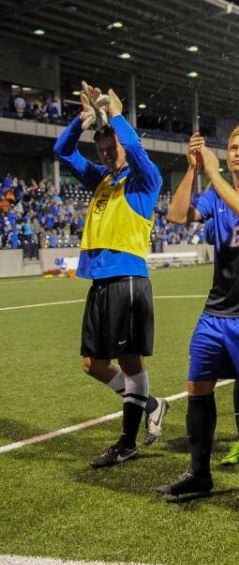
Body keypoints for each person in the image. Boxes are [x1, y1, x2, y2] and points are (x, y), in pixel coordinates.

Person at [157, 125, 239, 494]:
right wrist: (194, 170)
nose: (237, 153)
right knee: (198, 386)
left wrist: (214, 174)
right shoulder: (216, 193)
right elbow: (177, 216)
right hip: (216, 311)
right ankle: (200, 474)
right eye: (232, 147)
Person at [52, 83, 169, 467]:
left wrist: (117, 116)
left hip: (128, 280)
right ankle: (151, 404)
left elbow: (136, 151)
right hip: (100, 282)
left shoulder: (144, 180)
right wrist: (82, 121)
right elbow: (61, 151)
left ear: (121, 144)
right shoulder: (101, 180)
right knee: (92, 364)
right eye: (101, 149)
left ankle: (127, 442)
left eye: (111, 147)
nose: (106, 154)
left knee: (130, 361)